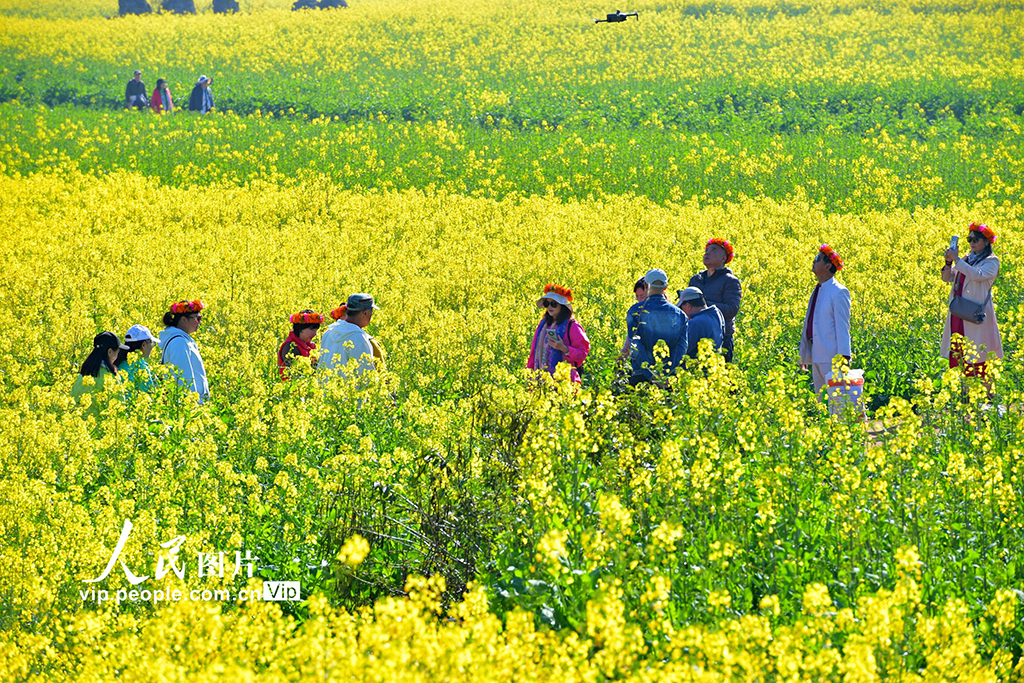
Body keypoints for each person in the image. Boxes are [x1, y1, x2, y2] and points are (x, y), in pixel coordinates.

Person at [941, 222, 1002, 389]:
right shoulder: (968, 259)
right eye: (970, 239)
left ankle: (989, 399)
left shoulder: (991, 262)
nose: (972, 243)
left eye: (976, 239)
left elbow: (976, 275)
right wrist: (948, 264)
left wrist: (957, 260)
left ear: (987, 242)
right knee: (960, 354)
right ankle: (965, 397)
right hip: (959, 313)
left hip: (976, 316)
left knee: (980, 357)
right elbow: (948, 278)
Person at [798, 244, 851, 398]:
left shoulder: (839, 292)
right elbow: (809, 324)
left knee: (838, 402)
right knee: (821, 402)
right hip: (816, 356)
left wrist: (844, 358)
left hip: (832, 358)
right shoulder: (817, 290)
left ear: (828, 266)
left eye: (817, 259)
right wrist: (804, 354)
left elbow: (843, 327)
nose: (813, 262)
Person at [627, 269, 688, 386]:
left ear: (645, 285)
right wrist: (666, 373)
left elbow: (636, 346)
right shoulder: (680, 314)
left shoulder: (635, 311)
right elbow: (681, 347)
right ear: (665, 287)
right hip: (668, 379)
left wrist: (651, 374)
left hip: (641, 375)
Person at [688, 238, 742, 362]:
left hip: (720, 337)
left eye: (713, 250)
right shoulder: (696, 279)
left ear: (723, 258)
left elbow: (732, 309)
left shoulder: (730, 281)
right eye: (706, 250)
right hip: (694, 334)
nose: (707, 253)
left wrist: (703, 305)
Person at [527, 283, 591, 384]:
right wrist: (529, 373)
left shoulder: (572, 326)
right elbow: (534, 351)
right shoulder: (543, 324)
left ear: (563, 306)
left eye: (554, 304)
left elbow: (582, 352)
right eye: (547, 304)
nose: (549, 307)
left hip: (564, 383)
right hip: (540, 382)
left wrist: (564, 348)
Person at [158, 300, 209, 403]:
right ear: (183, 320)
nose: (199, 322)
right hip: (187, 407)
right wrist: (193, 405)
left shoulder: (183, 339)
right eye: (197, 318)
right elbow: (184, 379)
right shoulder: (179, 342)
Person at [320, 294, 381, 378]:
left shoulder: (328, 332)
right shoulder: (360, 339)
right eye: (371, 312)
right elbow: (367, 376)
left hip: (326, 389)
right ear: (365, 313)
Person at [72, 332, 128, 417]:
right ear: (109, 351)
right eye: (117, 352)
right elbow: (119, 407)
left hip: (76, 423)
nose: (117, 356)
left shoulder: (83, 374)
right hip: (97, 427)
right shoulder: (109, 376)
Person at [676, 286, 724, 359]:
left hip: (697, 367)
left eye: (682, 308)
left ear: (688, 306)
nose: (682, 313)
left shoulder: (695, 323)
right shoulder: (717, 314)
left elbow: (682, 349)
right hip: (714, 364)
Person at [278, 310, 323, 380]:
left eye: (316, 330)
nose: (315, 334)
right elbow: (294, 375)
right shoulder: (290, 347)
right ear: (301, 329)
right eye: (312, 330)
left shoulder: (309, 345)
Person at [117, 324, 159, 394]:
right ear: (143, 345)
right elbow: (148, 395)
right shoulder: (141, 368)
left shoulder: (118, 362)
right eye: (151, 343)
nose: (152, 347)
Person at [618, 277, 649, 360]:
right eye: (637, 297)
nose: (639, 300)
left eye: (642, 296)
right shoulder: (637, 316)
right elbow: (628, 346)